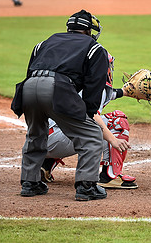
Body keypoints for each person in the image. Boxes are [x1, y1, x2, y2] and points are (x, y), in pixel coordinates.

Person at [11, 9, 130, 201]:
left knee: (36, 134)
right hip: (56, 89)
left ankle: (30, 183)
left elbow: (31, 71)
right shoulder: (94, 48)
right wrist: (89, 113)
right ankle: (86, 186)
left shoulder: (44, 43)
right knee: (91, 135)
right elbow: (94, 84)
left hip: (28, 88)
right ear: (90, 30)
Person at [40, 56, 138, 190]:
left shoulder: (73, 80)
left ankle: (45, 164)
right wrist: (113, 139)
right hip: (58, 141)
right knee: (117, 120)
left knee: (72, 122)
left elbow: (105, 95)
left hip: (40, 141)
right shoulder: (97, 86)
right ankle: (110, 176)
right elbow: (92, 115)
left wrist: (125, 92)